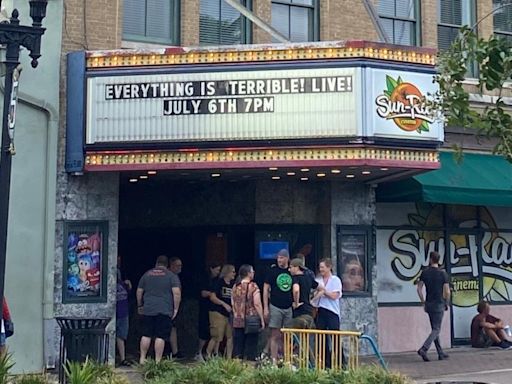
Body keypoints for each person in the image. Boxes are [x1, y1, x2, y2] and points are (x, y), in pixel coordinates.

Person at [137, 255, 181, 364]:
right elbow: (176, 293)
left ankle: (142, 359)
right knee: (160, 336)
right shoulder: (171, 276)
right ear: (167, 265)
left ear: (156, 263)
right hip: (164, 310)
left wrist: (140, 305)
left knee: (146, 334)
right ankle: (157, 361)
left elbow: (139, 291)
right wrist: (175, 309)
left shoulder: (146, 274)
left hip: (148, 309)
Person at [416, 251, 451, 362]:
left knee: (434, 328)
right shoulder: (443, 274)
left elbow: (419, 289)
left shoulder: (425, 273)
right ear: (438, 260)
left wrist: (423, 302)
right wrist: (447, 302)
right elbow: (447, 291)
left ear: (430, 259)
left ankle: (440, 353)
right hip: (439, 303)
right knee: (436, 329)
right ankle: (424, 349)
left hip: (429, 303)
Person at [263, 249, 293, 362]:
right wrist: (266, 307)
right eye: (278, 258)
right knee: (274, 334)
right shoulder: (272, 271)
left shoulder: (291, 271)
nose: (279, 260)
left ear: (287, 258)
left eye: (282, 258)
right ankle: (274, 360)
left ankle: (287, 360)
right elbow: (265, 289)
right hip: (275, 305)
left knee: (287, 336)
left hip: (289, 307)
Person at [312, 258, 342, 368]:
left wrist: (324, 291)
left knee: (335, 337)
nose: (321, 270)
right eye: (320, 268)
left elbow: (335, 296)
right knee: (321, 338)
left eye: (323, 267)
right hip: (321, 310)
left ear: (329, 267)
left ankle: (340, 363)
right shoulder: (318, 280)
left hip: (332, 311)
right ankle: (324, 364)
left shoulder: (335, 280)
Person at [231, 264, 265, 361]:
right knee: (251, 345)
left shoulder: (235, 286)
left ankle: (236, 367)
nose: (254, 273)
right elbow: (257, 303)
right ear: (249, 273)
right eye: (252, 271)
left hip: (238, 319)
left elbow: (233, 303)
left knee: (238, 346)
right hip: (251, 320)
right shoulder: (253, 286)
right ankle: (250, 368)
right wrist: (261, 319)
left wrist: (236, 314)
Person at [206, 264, 236, 359]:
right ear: (227, 272)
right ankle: (208, 355)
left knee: (230, 336)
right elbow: (212, 297)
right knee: (216, 336)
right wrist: (223, 304)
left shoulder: (232, 284)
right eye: (233, 271)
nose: (234, 274)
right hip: (217, 312)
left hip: (228, 314)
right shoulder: (219, 282)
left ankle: (229, 358)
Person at [195, 262, 221, 362]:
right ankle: (199, 352)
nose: (218, 272)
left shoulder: (217, 281)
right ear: (211, 269)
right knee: (204, 331)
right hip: (205, 308)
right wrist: (212, 294)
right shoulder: (204, 280)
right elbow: (203, 293)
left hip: (214, 309)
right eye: (217, 270)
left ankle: (214, 353)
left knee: (215, 332)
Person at [289, 258, 320, 329]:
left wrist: (296, 303)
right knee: (308, 337)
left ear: (296, 267)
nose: (289, 270)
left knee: (297, 337)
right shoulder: (309, 278)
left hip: (298, 313)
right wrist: (312, 300)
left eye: (290, 267)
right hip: (308, 312)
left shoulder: (295, 278)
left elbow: (296, 290)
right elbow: (322, 289)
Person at [116, 255, 132, 366]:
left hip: (123, 310)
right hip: (114, 311)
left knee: (121, 335)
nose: (118, 261)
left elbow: (127, 293)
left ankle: (122, 358)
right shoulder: (107, 283)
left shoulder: (123, 282)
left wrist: (129, 286)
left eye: (119, 259)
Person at [168, 257, 184, 359]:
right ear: (172, 265)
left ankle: (174, 351)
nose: (180, 268)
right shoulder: (169, 276)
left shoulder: (176, 277)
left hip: (174, 306)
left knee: (173, 328)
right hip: (168, 306)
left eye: (181, 265)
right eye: (178, 265)